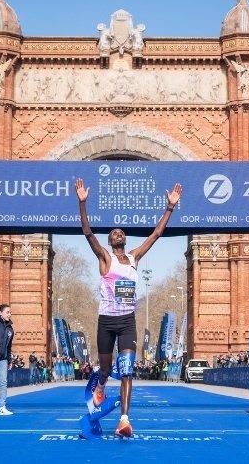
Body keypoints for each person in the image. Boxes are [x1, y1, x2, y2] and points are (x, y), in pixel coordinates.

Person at [75, 177, 182, 437]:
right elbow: (88, 233)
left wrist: (169, 208)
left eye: (121, 232)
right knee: (106, 369)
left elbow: (156, 235)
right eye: (114, 233)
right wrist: (82, 204)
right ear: (110, 241)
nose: (119, 233)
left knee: (126, 370)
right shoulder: (105, 257)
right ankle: (101, 386)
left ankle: (124, 420)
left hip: (127, 322)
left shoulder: (134, 257)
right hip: (106, 321)